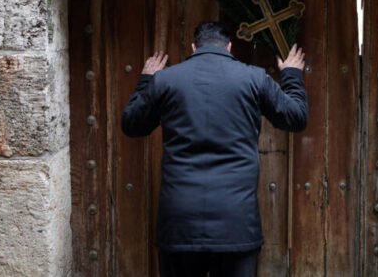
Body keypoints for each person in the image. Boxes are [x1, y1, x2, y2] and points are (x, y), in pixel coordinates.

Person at [122, 21, 308, 277]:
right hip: (236, 223)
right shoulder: (254, 77)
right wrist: (291, 75)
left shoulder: (166, 79)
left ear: (193, 46)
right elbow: (296, 117)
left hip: (180, 224)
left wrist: (147, 80)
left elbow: (132, 124)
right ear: (230, 47)